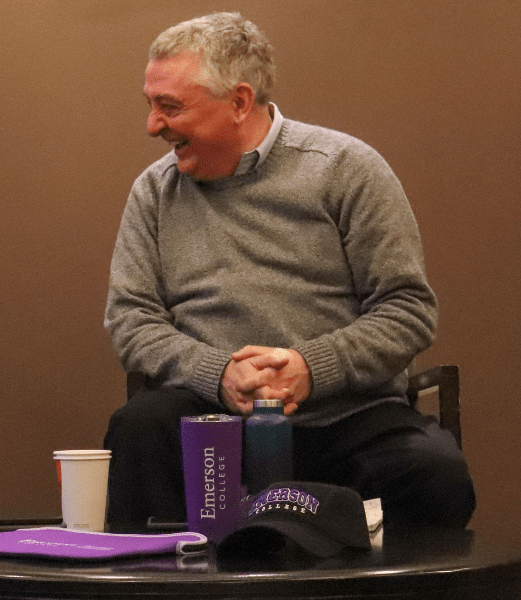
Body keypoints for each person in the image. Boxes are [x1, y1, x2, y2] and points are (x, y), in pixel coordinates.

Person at [103, 13, 475, 533]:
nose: (152, 125)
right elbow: (131, 319)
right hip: (213, 421)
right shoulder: (154, 192)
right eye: (150, 105)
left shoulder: (347, 169)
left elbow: (407, 311)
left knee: (435, 474)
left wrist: (310, 368)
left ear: (239, 101)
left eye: (170, 107)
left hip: (348, 418)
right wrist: (218, 373)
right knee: (138, 428)